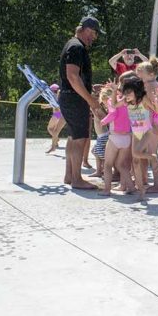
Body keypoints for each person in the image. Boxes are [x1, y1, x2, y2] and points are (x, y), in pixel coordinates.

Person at [59, 16, 102, 189]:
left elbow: (74, 78)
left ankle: (70, 176)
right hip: (74, 99)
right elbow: (72, 76)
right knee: (80, 139)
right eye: (93, 33)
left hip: (70, 96)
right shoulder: (77, 47)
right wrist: (91, 100)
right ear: (84, 29)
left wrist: (90, 88)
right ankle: (77, 179)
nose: (94, 37)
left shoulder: (73, 44)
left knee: (73, 137)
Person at [122, 76, 158, 201]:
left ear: (136, 90)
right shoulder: (127, 101)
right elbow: (113, 104)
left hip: (146, 131)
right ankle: (141, 192)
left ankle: (152, 157)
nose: (126, 95)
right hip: (135, 132)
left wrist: (156, 101)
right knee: (135, 161)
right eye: (125, 92)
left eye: (129, 92)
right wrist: (114, 91)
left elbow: (157, 110)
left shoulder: (144, 99)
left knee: (136, 154)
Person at [136, 57, 158, 193]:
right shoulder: (151, 84)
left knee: (152, 153)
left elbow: (156, 108)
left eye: (140, 71)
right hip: (153, 121)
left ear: (150, 74)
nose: (138, 73)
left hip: (154, 122)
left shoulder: (151, 85)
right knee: (147, 153)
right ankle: (149, 181)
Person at [98, 83, 133, 196]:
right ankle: (131, 187)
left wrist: (103, 121)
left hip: (115, 137)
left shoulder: (111, 101)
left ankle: (107, 190)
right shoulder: (128, 102)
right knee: (121, 165)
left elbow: (113, 114)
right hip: (127, 137)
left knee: (108, 164)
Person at [43, 84, 66, 153]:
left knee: (50, 128)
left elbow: (56, 105)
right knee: (53, 129)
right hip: (58, 113)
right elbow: (55, 104)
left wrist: (47, 106)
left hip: (57, 114)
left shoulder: (55, 96)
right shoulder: (58, 95)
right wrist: (47, 106)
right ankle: (55, 141)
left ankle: (56, 140)